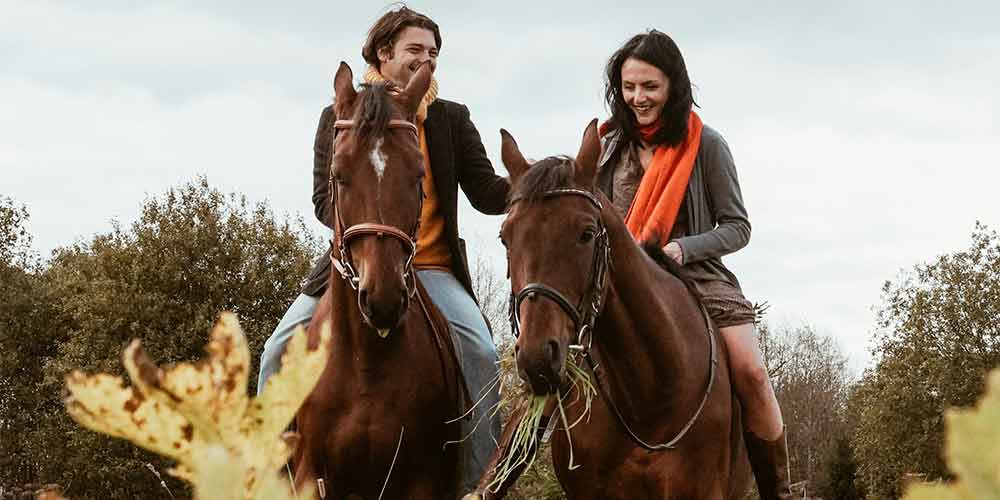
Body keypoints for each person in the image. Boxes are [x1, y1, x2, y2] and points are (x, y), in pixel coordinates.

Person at [256, 6, 509, 493]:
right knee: (275, 352)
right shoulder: (339, 114)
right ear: (383, 52)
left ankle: (482, 484)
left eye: (434, 53)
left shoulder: (450, 119)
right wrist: (370, 240)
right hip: (352, 265)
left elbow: (484, 191)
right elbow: (322, 200)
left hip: (431, 267)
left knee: (480, 351)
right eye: (415, 50)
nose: (426, 60)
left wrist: (528, 180)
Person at [595, 30, 791, 499]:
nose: (638, 98)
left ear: (672, 86)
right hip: (622, 283)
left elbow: (737, 227)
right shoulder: (607, 148)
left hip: (699, 279)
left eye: (650, 87)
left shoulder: (708, 145)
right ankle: (503, 472)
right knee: (554, 365)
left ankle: (777, 491)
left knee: (750, 372)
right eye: (629, 87)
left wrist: (684, 249)